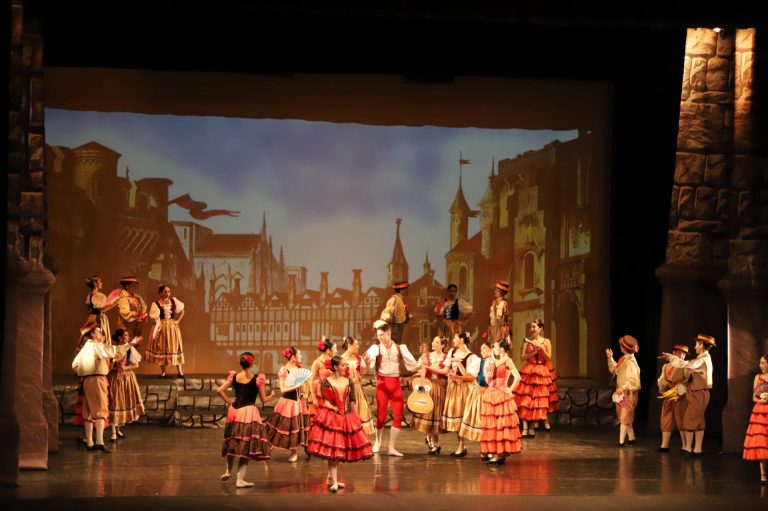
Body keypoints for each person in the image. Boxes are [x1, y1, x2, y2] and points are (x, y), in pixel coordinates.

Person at [305, 355, 374, 492]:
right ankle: (335, 481)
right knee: (333, 451)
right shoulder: (326, 382)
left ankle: (332, 479)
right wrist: (333, 408)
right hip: (332, 417)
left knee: (340, 450)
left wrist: (355, 417)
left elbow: (352, 401)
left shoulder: (349, 381)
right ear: (335, 367)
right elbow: (325, 401)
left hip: (346, 418)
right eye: (343, 365)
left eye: (345, 365)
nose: (345, 367)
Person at [72, 322, 140, 452]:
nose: (101, 334)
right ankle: (99, 442)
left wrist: (85, 371)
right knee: (100, 410)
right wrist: (131, 344)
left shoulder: (86, 347)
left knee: (88, 411)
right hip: (97, 380)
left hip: (87, 380)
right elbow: (115, 351)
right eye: (99, 332)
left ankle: (90, 442)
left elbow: (75, 364)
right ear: (93, 334)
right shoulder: (96, 346)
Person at [216, 352, 275, 488]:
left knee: (232, 440)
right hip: (248, 412)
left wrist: (230, 403)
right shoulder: (257, 379)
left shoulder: (235, 376)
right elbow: (263, 399)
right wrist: (271, 395)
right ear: (252, 363)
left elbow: (220, 390)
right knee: (245, 445)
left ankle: (228, 471)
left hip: (234, 411)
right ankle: (240, 480)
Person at [364, 320, 420, 456]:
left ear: (389, 333)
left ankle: (391, 447)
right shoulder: (376, 348)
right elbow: (368, 359)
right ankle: (378, 441)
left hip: (395, 384)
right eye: (378, 335)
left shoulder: (400, 348)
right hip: (382, 384)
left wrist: (421, 366)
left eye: (382, 335)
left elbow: (412, 364)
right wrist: (366, 360)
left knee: (398, 416)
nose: (380, 337)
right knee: (381, 417)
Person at [659, 333, 716, 456]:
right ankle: (697, 449)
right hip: (697, 392)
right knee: (698, 421)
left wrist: (671, 358)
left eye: (696, 344)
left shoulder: (702, 360)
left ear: (701, 345)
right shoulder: (702, 359)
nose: (695, 347)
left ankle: (688, 449)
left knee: (688, 420)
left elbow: (688, 365)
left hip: (698, 392)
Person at [263, 346, 311, 462]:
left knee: (298, 427)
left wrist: (305, 393)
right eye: (299, 354)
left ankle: (299, 451)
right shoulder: (284, 370)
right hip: (288, 403)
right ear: (293, 357)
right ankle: (269, 448)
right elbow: (283, 389)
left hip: (298, 402)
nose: (301, 356)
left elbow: (306, 383)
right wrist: (296, 386)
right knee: (282, 427)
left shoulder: (299, 368)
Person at [480, 338, 523, 464]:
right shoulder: (494, 361)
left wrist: (509, 390)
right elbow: (488, 380)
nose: (494, 349)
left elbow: (517, 377)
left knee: (500, 425)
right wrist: (489, 372)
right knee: (492, 425)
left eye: (495, 347)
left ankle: (499, 454)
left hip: (501, 394)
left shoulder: (507, 360)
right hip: (491, 393)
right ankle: (496, 453)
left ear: (502, 349)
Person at [441, 331, 481, 457]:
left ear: (462, 340)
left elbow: (469, 377)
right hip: (453, 387)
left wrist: (458, 364)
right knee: (456, 417)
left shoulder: (473, 358)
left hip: (466, 388)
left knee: (465, 417)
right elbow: (446, 369)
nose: (453, 340)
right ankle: (461, 446)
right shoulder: (451, 352)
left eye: (455, 338)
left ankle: (477, 447)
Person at [514, 320, 556, 437]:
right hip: (529, 371)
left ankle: (532, 428)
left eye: (534, 327)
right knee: (525, 400)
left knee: (536, 402)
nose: (531, 329)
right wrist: (534, 352)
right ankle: (525, 428)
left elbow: (548, 358)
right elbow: (522, 357)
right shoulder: (527, 341)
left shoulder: (546, 341)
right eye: (531, 327)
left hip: (541, 372)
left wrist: (542, 348)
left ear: (540, 328)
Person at [411, 336, 450, 454]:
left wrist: (428, 367)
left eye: (436, 342)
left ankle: (434, 442)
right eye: (433, 341)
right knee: (428, 412)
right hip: (427, 386)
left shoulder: (446, 357)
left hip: (439, 387)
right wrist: (420, 367)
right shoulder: (426, 355)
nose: (433, 343)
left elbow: (444, 371)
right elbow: (416, 368)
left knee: (435, 414)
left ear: (442, 345)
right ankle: (432, 441)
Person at [107, 328, 145, 441]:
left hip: (127, 378)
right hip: (115, 378)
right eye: (126, 335)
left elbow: (136, 365)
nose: (128, 337)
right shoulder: (113, 349)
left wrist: (125, 368)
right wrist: (115, 367)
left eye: (128, 335)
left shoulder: (130, 349)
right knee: (115, 402)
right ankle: (113, 431)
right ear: (120, 338)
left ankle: (118, 429)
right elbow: (108, 367)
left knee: (123, 402)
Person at [459, 340, 494, 457]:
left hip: (490, 393)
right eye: (481, 349)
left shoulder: (494, 362)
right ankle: (482, 449)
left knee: (488, 422)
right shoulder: (480, 362)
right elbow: (470, 375)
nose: (481, 351)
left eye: (484, 348)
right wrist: (458, 364)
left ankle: (488, 449)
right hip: (479, 393)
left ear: (491, 350)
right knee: (478, 421)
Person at [606, 335, 641, 447]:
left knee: (625, 416)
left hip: (628, 392)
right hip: (621, 391)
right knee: (624, 416)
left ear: (624, 348)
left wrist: (623, 387)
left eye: (621, 346)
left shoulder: (631, 362)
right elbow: (615, 369)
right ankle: (632, 438)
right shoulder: (624, 359)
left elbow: (633, 379)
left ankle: (621, 442)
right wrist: (610, 358)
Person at [146, 284, 186, 378]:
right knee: (162, 348)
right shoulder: (156, 304)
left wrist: (178, 321)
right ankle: (163, 372)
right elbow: (154, 316)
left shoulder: (173, 301)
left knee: (175, 347)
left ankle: (180, 371)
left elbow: (183, 311)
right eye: (165, 292)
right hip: (162, 327)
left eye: (168, 291)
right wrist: (157, 323)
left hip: (172, 327)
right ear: (160, 293)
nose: (167, 293)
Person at [656, 344, 690, 452]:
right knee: (666, 418)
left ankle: (685, 446)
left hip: (680, 396)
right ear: (674, 353)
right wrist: (666, 384)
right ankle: (664, 445)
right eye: (679, 353)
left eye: (684, 354)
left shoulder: (685, 366)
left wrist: (679, 388)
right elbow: (661, 379)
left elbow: (688, 380)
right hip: (669, 395)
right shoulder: (666, 367)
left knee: (681, 419)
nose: (682, 356)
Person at [340, 336, 376, 435]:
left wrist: (367, 365)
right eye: (356, 344)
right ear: (350, 345)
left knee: (361, 411)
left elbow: (362, 373)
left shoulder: (359, 358)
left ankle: (359, 437)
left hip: (357, 389)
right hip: (346, 390)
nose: (358, 346)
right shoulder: (341, 359)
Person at [743, 354, 768, 485]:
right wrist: (762, 400)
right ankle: (763, 476)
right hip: (761, 411)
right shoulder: (758, 377)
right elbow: (754, 397)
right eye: (760, 363)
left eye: (763, 363)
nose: (760, 365)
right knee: (761, 442)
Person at [80, 274, 117, 350]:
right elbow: (102, 309)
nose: (101, 283)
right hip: (98, 319)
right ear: (95, 283)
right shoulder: (98, 295)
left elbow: (97, 309)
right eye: (100, 281)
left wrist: (113, 304)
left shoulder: (90, 295)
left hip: (91, 318)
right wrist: (114, 302)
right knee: (100, 338)